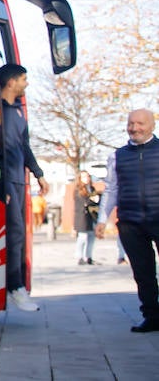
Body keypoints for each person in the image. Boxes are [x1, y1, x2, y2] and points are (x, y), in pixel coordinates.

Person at [98, 109, 159, 332]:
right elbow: (111, 189)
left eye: (140, 123)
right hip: (131, 222)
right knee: (143, 273)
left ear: (152, 125)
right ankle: (152, 316)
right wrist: (102, 220)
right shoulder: (117, 156)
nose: (135, 128)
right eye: (131, 123)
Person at [0, 62, 49, 312]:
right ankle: (14, 287)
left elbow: (24, 147)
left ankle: (16, 287)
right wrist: (1, 185)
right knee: (14, 233)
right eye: (23, 79)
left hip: (19, 181)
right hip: (6, 181)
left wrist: (39, 174)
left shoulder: (18, 112)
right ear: (11, 82)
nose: (26, 84)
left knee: (19, 235)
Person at [71, 171, 99, 264]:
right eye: (83, 177)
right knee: (82, 237)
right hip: (82, 216)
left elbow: (96, 199)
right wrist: (93, 200)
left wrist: (94, 200)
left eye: (87, 176)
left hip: (92, 216)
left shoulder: (91, 188)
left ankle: (89, 256)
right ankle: (79, 257)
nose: (86, 178)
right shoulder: (78, 189)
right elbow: (85, 202)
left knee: (91, 237)